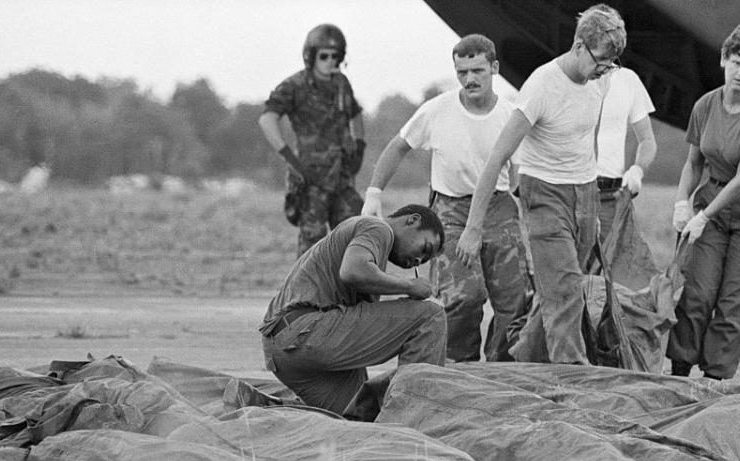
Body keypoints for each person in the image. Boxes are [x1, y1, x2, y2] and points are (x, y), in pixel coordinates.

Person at [457, 4, 625, 365]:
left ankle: (523, 360)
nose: (604, 70)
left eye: (611, 64)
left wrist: (591, 206)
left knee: (562, 289)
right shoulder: (541, 86)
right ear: (579, 46)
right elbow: (497, 158)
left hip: (584, 194)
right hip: (545, 193)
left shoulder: (600, 80)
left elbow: (588, 141)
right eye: (600, 60)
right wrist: (472, 227)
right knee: (565, 293)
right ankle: (573, 381)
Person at [361, 34, 531, 362]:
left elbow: (522, 174)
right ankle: (458, 368)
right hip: (451, 211)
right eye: (462, 72)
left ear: (494, 68)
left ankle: (502, 370)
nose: (470, 79)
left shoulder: (510, 116)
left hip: (499, 209)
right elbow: (399, 145)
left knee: (515, 301)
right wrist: (374, 193)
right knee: (463, 298)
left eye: (478, 70)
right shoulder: (437, 111)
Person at [668, 24, 740, 380]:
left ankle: (715, 380)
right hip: (712, 204)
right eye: (737, 62)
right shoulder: (706, 105)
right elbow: (694, 162)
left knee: (733, 303)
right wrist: (682, 202)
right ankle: (679, 372)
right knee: (696, 294)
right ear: (723, 60)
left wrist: (704, 216)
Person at [260, 205, 447, 415]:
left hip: (282, 351)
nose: (419, 260)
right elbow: (352, 271)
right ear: (412, 220)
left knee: (361, 415)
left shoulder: (369, 245)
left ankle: (260, 408)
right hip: (306, 331)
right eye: (425, 249)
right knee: (430, 315)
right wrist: (409, 286)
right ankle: (414, 417)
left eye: (424, 260)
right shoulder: (378, 228)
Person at [259, 24, 366, 258]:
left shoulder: (341, 84)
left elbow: (355, 114)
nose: (330, 61)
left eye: (336, 56)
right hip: (311, 177)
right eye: (324, 56)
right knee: (312, 246)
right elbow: (267, 119)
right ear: (311, 56)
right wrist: (290, 158)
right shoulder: (294, 85)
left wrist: (359, 148)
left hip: (342, 176)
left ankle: (353, 292)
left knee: (355, 237)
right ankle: (307, 293)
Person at [590, 59, 658, 291]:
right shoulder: (567, 76)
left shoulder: (628, 80)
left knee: (620, 283)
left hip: (612, 198)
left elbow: (647, 141)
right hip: (573, 194)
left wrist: (638, 169)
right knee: (570, 280)